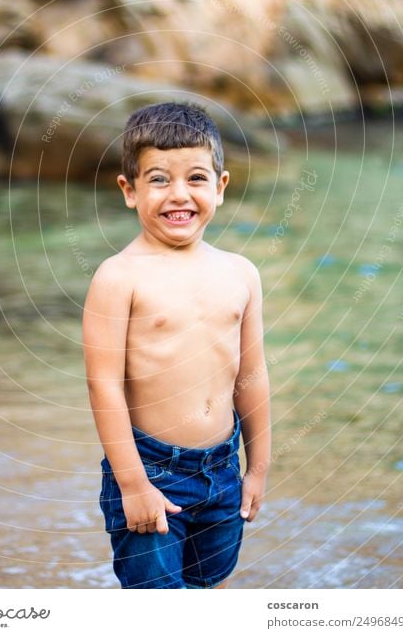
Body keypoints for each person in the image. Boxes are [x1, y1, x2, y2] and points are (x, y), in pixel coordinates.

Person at [83, 101, 271, 589]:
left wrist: (258, 468)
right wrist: (132, 483)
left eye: (196, 178)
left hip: (223, 469)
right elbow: (104, 387)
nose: (179, 194)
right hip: (151, 471)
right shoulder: (118, 277)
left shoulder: (241, 273)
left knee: (210, 590)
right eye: (159, 179)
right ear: (130, 190)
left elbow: (252, 376)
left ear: (220, 187)